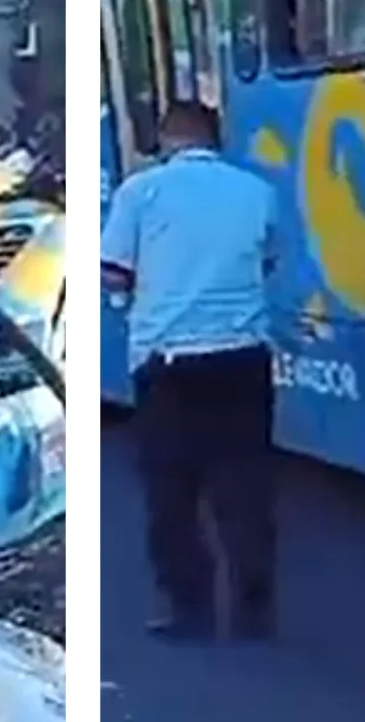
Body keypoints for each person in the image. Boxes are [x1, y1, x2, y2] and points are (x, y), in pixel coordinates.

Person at [100, 101, 280, 639]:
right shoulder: (256, 191)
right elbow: (267, 259)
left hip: (168, 363)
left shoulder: (140, 192)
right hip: (243, 358)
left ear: (165, 140)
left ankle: (188, 609)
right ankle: (254, 609)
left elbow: (111, 274)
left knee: (171, 493)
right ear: (215, 139)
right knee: (245, 487)